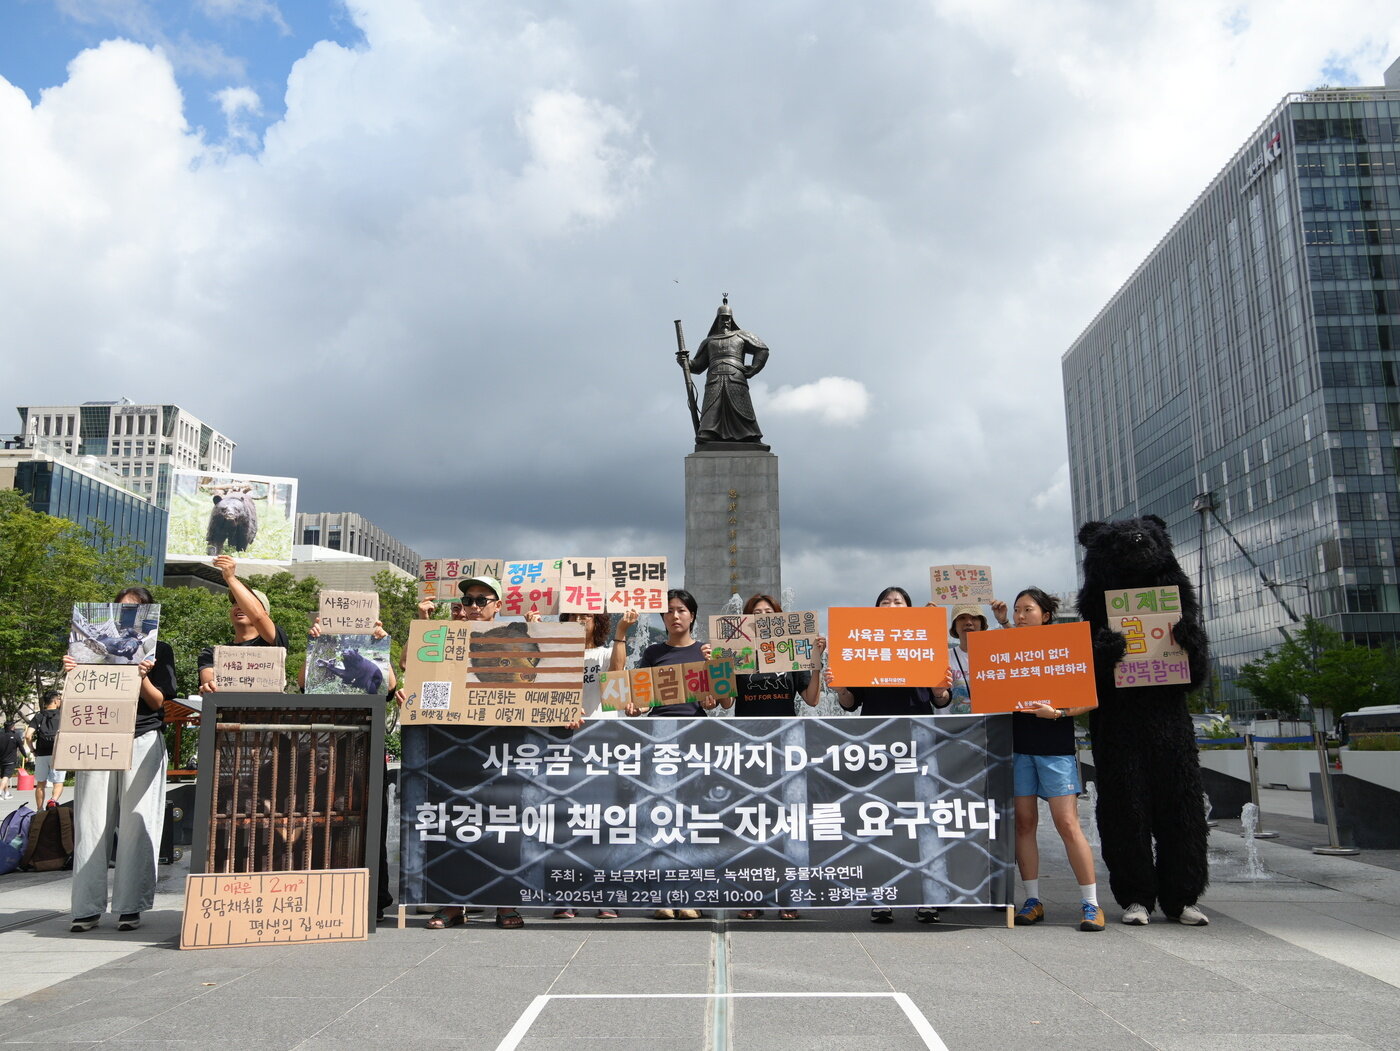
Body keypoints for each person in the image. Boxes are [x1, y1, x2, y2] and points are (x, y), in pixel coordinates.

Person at [827, 585, 951, 925]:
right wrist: (840, 688)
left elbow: (941, 700)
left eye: (898, 602)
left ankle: (929, 893)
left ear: (911, 611)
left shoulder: (927, 645)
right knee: (878, 816)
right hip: (877, 740)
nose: (891, 605)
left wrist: (941, 690)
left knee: (924, 816)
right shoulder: (862, 647)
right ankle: (880, 894)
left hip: (920, 739)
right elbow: (851, 704)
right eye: (884, 602)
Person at [64, 585, 178, 933]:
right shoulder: (90, 647)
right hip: (97, 736)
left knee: (138, 822)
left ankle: (131, 906)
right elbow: (78, 696)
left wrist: (140, 676)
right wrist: (72, 670)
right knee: (90, 820)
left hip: (141, 736)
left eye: (134, 609)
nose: (126, 615)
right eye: (120, 608)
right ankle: (85, 907)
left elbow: (161, 703)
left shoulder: (159, 650)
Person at [424, 575, 528, 931]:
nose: (473, 606)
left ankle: (504, 903)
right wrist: (427, 626)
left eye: (482, 600)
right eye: (468, 599)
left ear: (498, 605)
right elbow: (414, 670)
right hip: (455, 744)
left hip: (503, 744)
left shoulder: (516, 636)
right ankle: (453, 904)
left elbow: (540, 686)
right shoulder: (444, 636)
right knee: (454, 820)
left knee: (506, 822)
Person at [1006, 587, 1102, 933]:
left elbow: (1090, 699)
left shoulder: (1065, 647)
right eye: (1017, 610)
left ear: (1045, 615)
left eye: (1027, 609)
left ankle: (1091, 904)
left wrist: (1058, 712)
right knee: (1024, 823)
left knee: (1066, 823)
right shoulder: (1007, 650)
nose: (1020, 616)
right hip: (1017, 748)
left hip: (1056, 748)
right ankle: (1032, 900)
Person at [616, 588, 716, 919]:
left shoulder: (706, 652)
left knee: (690, 817)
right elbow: (642, 701)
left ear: (692, 616)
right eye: (670, 611)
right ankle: (662, 896)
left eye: (682, 610)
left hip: (695, 738)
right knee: (660, 817)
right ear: (663, 617)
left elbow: (724, 701)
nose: (675, 615)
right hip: (659, 741)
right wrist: (632, 706)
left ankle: (687, 894)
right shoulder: (653, 652)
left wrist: (712, 694)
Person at [729, 593, 826, 921]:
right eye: (755, 614)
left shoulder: (792, 653)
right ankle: (753, 894)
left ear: (780, 618)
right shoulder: (739, 653)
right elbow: (726, 703)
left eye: (769, 613)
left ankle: (789, 894)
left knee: (787, 822)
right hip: (749, 748)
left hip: (786, 748)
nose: (762, 618)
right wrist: (719, 665)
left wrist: (815, 659)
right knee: (752, 822)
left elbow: (812, 700)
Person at [302, 615, 398, 922]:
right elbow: (307, 686)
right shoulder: (327, 647)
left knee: (372, 821)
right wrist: (316, 643)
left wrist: (381, 644)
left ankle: (374, 897)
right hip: (327, 743)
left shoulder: (369, 655)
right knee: (321, 816)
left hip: (366, 745)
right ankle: (322, 891)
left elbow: (389, 688)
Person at [551, 610, 628, 920]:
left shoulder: (607, 652)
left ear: (598, 623)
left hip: (602, 743)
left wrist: (622, 631)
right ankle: (566, 896)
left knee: (604, 822)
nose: (581, 621)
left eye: (586, 616)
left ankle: (604, 895)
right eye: (573, 616)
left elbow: (618, 680)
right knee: (565, 821)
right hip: (562, 743)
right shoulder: (555, 655)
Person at [681, 295, 770, 448]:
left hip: (735, 376)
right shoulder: (709, 341)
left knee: (741, 407)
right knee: (712, 406)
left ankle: (749, 435)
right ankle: (708, 432)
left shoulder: (741, 335)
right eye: (722, 318)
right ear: (717, 320)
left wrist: (754, 368)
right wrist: (685, 362)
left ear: (732, 319)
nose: (725, 321)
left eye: (728, 318)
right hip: (714, 377)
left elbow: (762, 350)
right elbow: (697, 366)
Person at [196, 555, 288, 692]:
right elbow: (208, 677)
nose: (239, 607)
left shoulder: (273, 641)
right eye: (235, 603)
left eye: (245, 605)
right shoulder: (213, 653)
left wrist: (230, 578)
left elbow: (258, 616)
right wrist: (210, 685)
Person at [942, 601, 1010, 713]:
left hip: (993, 725)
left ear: (982, 624)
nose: (968, 622)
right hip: (951, 727)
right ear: (954, 626)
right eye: (962, 618)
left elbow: (1022, 647)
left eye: (974, 618)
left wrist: (1004, 621)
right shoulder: (943, 657)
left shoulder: (998, 656)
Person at [25, 689, 66, 810]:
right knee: (58, 782)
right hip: (57, 753)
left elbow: (28, 735)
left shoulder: (38, 716)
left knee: (40, 784)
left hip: (42, 754)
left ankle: (39, 809)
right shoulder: (62, 715)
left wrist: (33, 750)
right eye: (58, 699)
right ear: (55, 701)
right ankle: (53, 801)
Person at [0, 719, 22, 799]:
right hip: (11, 760)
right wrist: (25, 756)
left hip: (2, 760)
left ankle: (7, 793)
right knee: (6, 777)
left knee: (3, 777)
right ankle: (0, 791)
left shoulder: (1, 735)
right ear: (12, 727)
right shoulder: (15, 736)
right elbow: (21, 747)